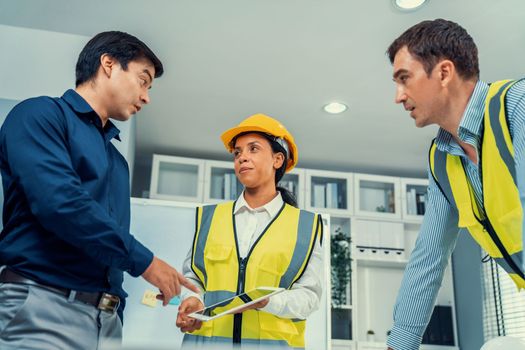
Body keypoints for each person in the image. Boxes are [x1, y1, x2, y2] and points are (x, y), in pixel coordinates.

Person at [0, 31, 198, 349]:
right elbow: (61, 204)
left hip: (107, 323)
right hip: (42, 306)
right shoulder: (40, 116)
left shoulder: (117, 163)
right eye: (143, 80)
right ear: (108, 64)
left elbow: (106, 247)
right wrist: (146, 263)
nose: (147, 96)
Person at [385, 18, 525, 350]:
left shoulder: (517, 108)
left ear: (444, 73)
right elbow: (429, 255)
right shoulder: (442, 159)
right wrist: (400, 344)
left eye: (404, 79)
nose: (397, 97)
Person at [175, 114, 324, 349]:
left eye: (253, 149)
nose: (242, 157)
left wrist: (268, 301)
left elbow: (309, 297)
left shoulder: (305, 226)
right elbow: (192, 278)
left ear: (277, 159)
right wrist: (192, 299)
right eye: (237, 153)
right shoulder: (210, 218)